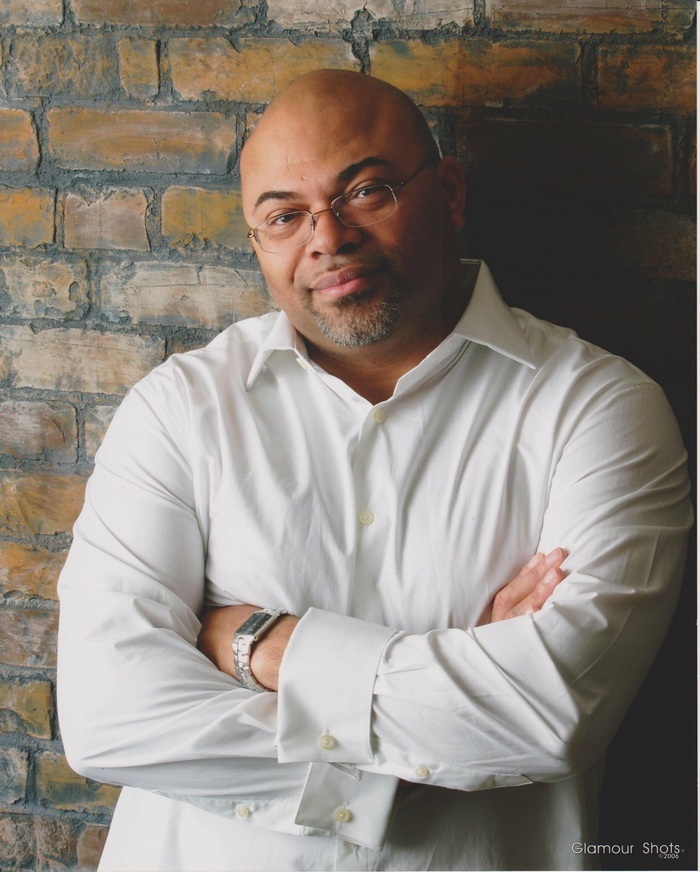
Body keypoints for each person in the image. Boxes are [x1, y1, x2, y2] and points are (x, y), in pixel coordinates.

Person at [57, 70, 691, 871]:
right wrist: (449, 713)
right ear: (257, 244)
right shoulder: (179, 409)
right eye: (285, 216)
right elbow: (110, 716)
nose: (327, 238)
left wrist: (259, 644)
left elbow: (549, 714)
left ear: (449, 193)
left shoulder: (599, 409)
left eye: (365, 192)